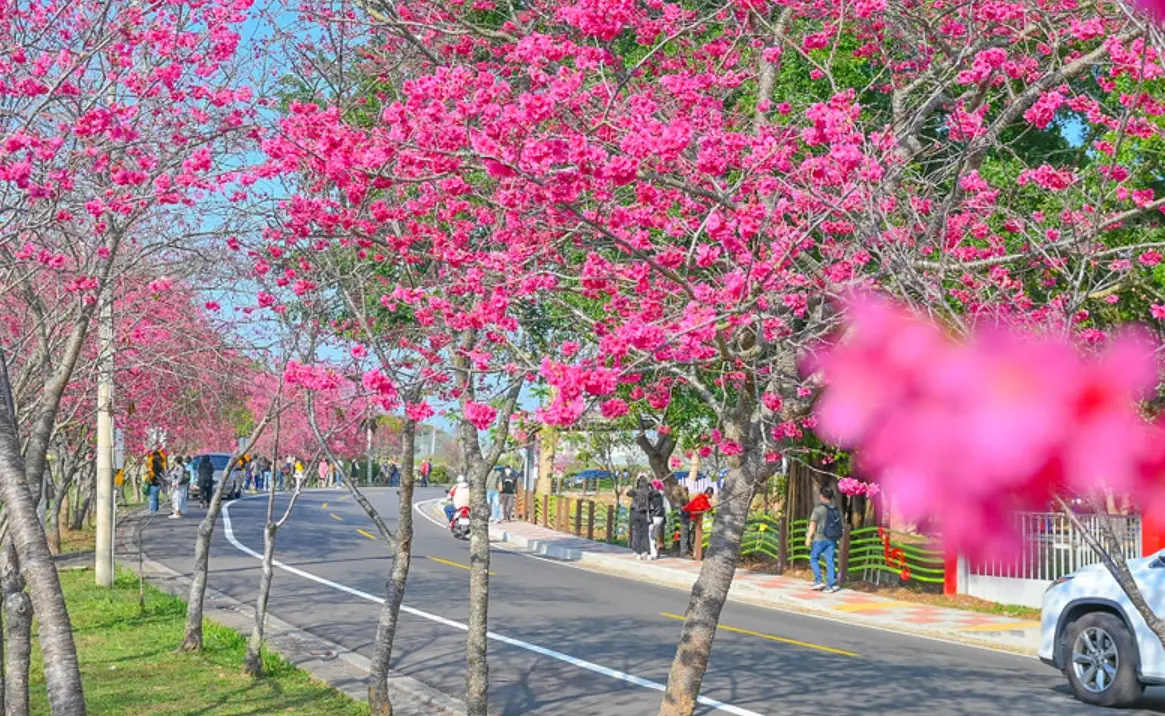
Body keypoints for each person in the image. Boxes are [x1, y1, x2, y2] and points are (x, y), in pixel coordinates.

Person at [806, 486, 844, 593]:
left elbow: (813, 524)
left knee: (814, 558)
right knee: (830, 561)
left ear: (822, 496)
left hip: (820, 538)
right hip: (831, 539)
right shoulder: (835, 509)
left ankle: (818, 581)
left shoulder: (818, 509)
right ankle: (830, 585)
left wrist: (809, 537)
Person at [680, 487, 715, 558]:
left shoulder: (701, 497)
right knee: (685, 534)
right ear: (709, 494)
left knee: (690, 534)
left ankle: (689, 551)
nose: (711, 497)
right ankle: (684, 553)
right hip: (686, 515)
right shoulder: (702, 498)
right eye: (711, 495)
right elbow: (707, 508)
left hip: (689, 516)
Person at [627, 474, 652, 560]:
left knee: (636, 532)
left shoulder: (635, 491)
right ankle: (646, 551)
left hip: (635, 512)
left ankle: (638, 551)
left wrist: (635, 486)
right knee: (645, 533)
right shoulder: (647, 491)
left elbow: (628, 493)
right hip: (644, 513)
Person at [647, 479, 669, 559]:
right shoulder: (663, 494)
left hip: (654, 516)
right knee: (657, 534)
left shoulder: (653, 494)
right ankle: (657, 550)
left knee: (651, 535)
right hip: (661, 516)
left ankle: (653, 553)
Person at [144, 447, 167, 514]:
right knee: (155, 497)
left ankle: (152, 511)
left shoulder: (153, 463)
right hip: (158, 482)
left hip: (153, 482)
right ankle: (155, 509)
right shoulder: (161, 463)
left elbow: (152, 472)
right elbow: (163, 472)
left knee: (152, 497)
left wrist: (148, 471)